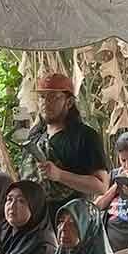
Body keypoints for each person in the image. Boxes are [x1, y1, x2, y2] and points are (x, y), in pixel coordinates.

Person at [19, 73, 109, 217]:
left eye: (53, 97)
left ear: (69, 102)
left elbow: (101, 186)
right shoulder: (35, 135)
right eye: (42, 97)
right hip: (35, 219)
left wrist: (60, 175)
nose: (45, 103)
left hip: (70, 220)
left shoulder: (85, 136)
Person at [1, 180, 58, 254]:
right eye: (9, 199)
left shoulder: (43, 246)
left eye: (21, 201)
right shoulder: (6, 229)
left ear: (35, 206)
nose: (12, 206)